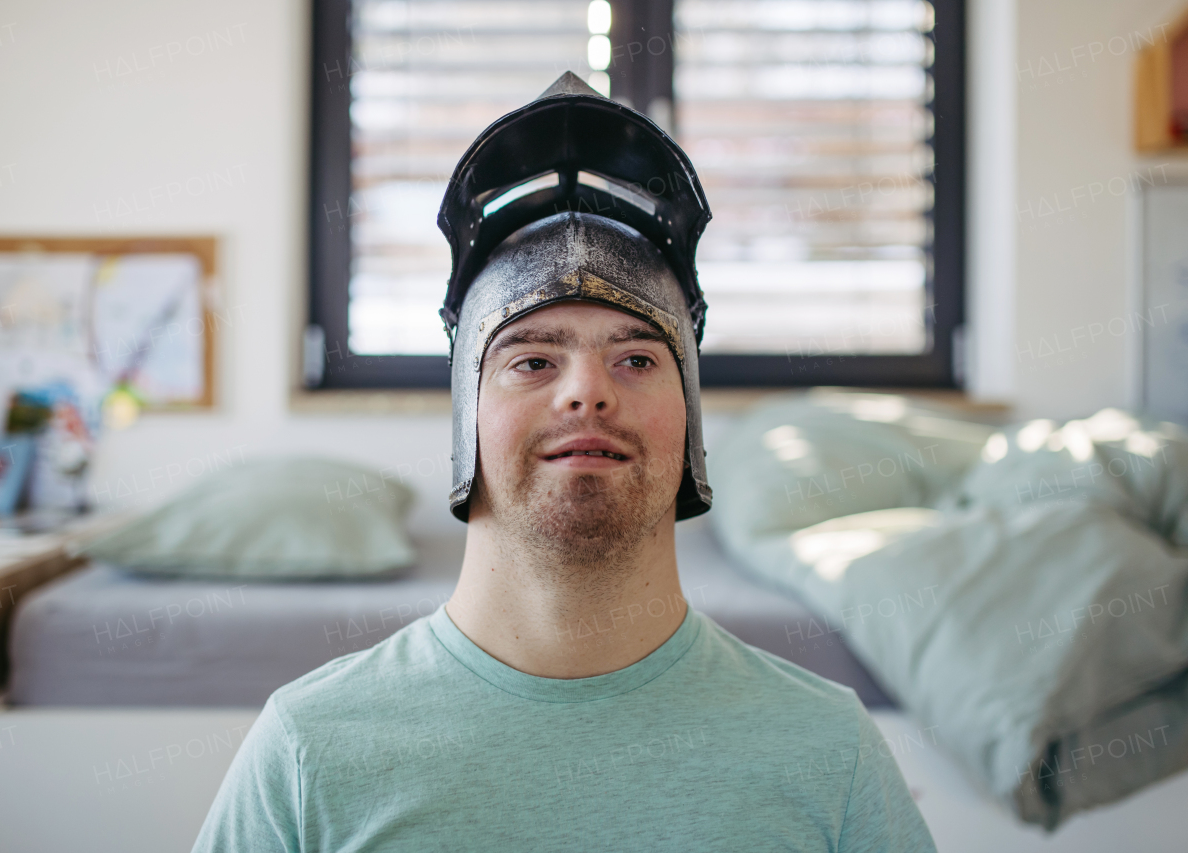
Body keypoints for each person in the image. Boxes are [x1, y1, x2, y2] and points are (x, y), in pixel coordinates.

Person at [193, 73, 936, 852]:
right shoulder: (308, 750)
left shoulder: (830, 751)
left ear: (690, 417)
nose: (587, 393)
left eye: (638, 359)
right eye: (533, 360)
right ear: (466, 416)